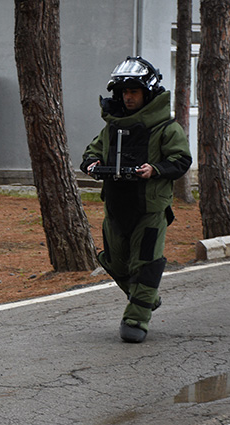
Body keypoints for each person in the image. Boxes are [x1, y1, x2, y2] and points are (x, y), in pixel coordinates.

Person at [80, 56, 192, 343]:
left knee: (146, 262)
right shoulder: (111, 128)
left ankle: (135, 320)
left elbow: (181, 160)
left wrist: (155, 169)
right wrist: (92, 163)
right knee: (115, 262)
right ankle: (146, 294)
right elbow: (91, 151)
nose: (128, 98)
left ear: (148, 93)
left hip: (150, 208)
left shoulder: (166, 129)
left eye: (134, 92)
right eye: (125, 93)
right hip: (116, 207)